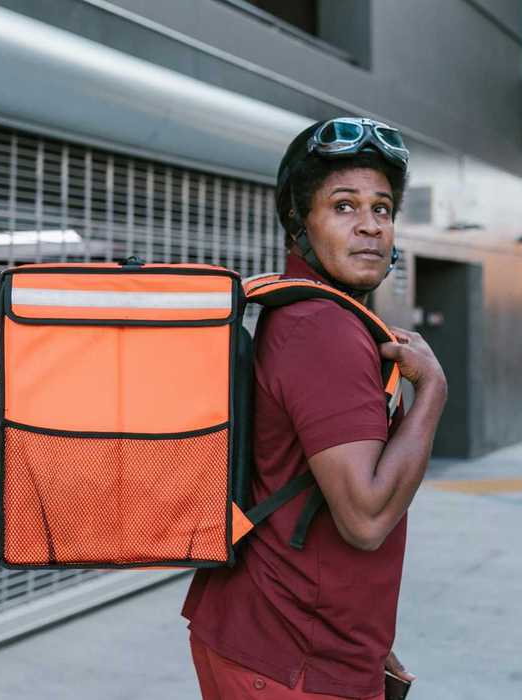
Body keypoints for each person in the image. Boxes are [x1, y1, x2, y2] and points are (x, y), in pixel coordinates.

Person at [182, 118, 448, 699]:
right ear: (301, 223)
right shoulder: (322, 330)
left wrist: (364, 636)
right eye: (344, 206)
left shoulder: (310, 314)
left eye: (382, 209)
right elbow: (366, 518)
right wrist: (432, 392)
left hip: (285, 634)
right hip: (290, 657)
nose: (370, 227)